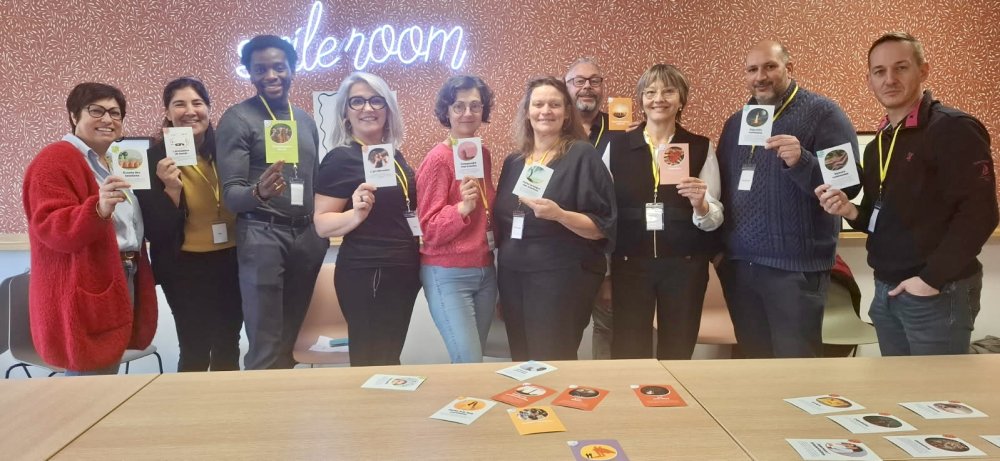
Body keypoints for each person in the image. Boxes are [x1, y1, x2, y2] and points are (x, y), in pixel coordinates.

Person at [816, 32, 998, 356]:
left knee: (936, 387)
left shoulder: (953, 128)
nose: (889, 79)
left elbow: (981, 213)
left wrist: (929, 281)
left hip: (937, 292)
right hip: (886, 291)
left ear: (923, 70)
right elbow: (881, 216)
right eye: (879, 71)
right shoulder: (878, 145)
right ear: (870, 79)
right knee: (900, 386)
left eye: (900, 68)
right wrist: (851, 211)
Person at [716, 40, 860, 358]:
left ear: (789, 68)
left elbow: (848, 185)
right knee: (753, 364)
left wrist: (803, 161)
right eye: (752, 69)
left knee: (796, 369)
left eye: (770, 66)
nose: (760, 76)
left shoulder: (824, 114)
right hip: (740, 269)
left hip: (795, 271)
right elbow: (722, 190)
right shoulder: (737, 123)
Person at [22, 82, 157, 375]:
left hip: (121, 273)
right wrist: (98, 209)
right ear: (74, 115)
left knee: (104, 373)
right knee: (90, 378)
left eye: (115, 113)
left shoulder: (107, 162)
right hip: (86, 282)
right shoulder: (54, 159)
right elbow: (51, 227)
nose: (108, 119)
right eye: (96, 110)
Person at [217, 35, 327, 370]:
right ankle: (260, 403)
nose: (271, 75)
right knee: (265, 344)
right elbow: (231, 196)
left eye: (279, 67)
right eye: (260, 69)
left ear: (292, 68)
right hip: (262, 234)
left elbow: (315, 182)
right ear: (250, 74)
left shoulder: (304, 120)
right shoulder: (237, 119)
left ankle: (285, 402)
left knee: (290, 342)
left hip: (306, 236)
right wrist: (258, 193)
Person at [494, 76, 616, 361]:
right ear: (527, 112)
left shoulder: (582, 155)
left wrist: (559, 215)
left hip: (560, 278)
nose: (545, 111)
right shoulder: (514, 161)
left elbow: (602, 226)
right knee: (521, 359)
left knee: (552, 358)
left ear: (567, 113)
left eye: (554, 105)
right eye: (538, 104)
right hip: (512, 276)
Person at [609, 64, 723, 360]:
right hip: (630, 263)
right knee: (628, 349)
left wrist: (701, 205)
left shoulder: (700, 146)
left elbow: (714, 219)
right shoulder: (616, 146)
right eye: (650, 92)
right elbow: (603, 208)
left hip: (685, 265)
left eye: (668, 91)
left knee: (678, 350)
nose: (658, 99)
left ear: (681, 99)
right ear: (641, 100)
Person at [134, 77, 242, 372]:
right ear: (167, 113)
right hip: (184, 266)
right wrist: (171, 190)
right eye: (179, 104)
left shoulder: (227, 152)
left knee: (228, 343)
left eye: (197, 103)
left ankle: (227, 402)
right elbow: (155, 230)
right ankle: (190, 402)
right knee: (195, 347)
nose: (190, 111)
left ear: (209, 109)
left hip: (232, 260)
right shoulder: (152, 160)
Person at [313, 72, 420, 366]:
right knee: (371, 359)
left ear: (388, 109)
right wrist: (356, 213)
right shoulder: (340, 159)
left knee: (389, 356)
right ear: (345, 113)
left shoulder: (394, 157)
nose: (367, 108)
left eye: (376, 100)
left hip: (403, 270)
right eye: (357, 101)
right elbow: (321, 224)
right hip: (367, 271)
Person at [416, 75, 498, 363]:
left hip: (485, 271)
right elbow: (429, 229)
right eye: (459, 106)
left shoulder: (482, 155)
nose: (467, 113)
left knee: (474, 361)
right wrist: (461, 208)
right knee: (468, 361)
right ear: (447, 111)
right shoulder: (437, 160)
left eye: (475, 105)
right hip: (448, 274)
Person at [565, 57, 617, 359]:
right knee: (565, 333)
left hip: (610, 247)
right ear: (566, 88)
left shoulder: (623, 132)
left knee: (609, 328)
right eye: (579, 81)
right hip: (567, 254)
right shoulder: (554, 133)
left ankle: (604, 385)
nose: (587, 87)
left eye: (594, 81)